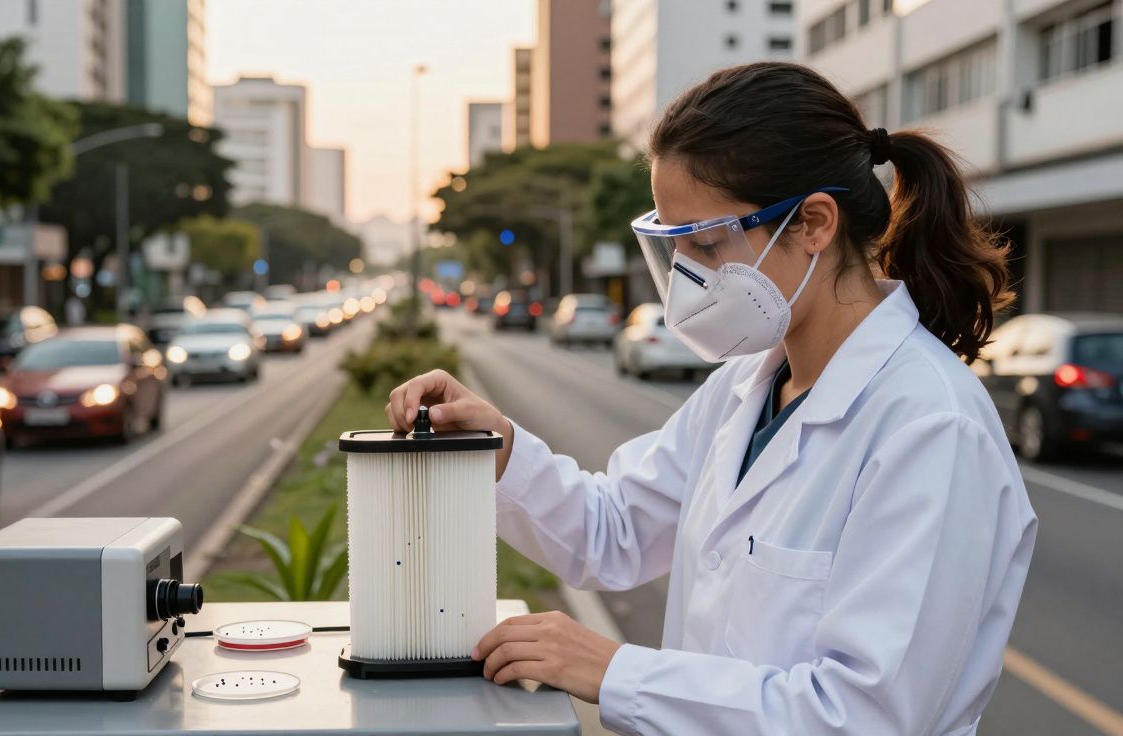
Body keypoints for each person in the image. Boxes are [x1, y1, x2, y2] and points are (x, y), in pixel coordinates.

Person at [386, 62, 1036, 735]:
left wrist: (614, 672)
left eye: (705, 243)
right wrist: (498, 445)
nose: (690, 280)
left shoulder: (930, 425)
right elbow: (613, 533)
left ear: (813, 223)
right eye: (678, 248)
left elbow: (864, 716)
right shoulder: (749, 384)